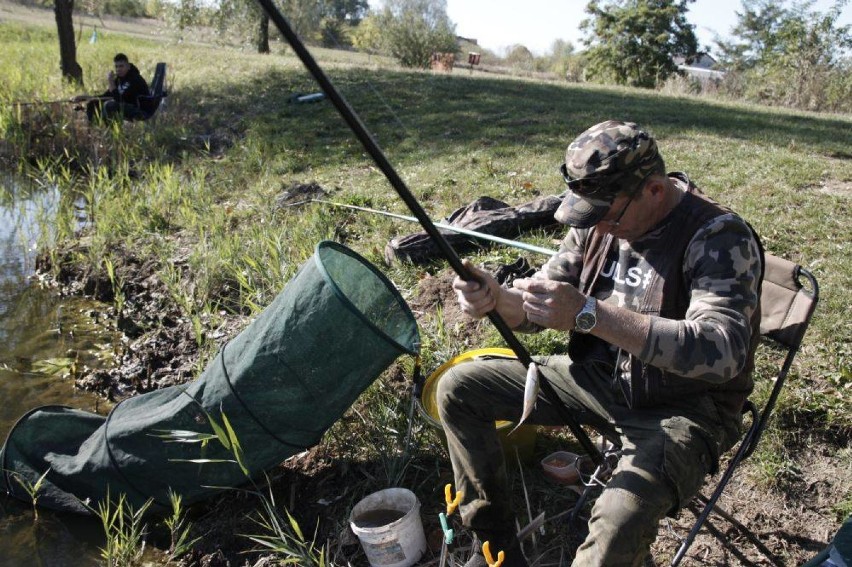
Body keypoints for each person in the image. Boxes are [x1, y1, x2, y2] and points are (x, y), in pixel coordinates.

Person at [439, 120, 764, 566]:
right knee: (458, 388)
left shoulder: (718, 236)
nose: (601, 229)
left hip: (684, 409)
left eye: (609, 216)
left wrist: (590, 314)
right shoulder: (598, 218)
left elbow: (721, 351)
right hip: (598, 379)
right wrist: (500, 299)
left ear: (653, 190)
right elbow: (544, 303)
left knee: (616, 521)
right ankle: (495, 547)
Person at [73, 53, 149, 123]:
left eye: (121, 66)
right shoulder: (119, 79)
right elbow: (105, 96)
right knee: (92, 103)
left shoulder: (135, 79)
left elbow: (119, 100)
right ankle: (94, 129)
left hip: (139, 110)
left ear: (128, 66)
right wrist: (86, 97)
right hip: (125, 107)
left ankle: (113, 132)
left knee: (109, 105)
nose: (118, 69)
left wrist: (111, 82)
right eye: (116, 66)